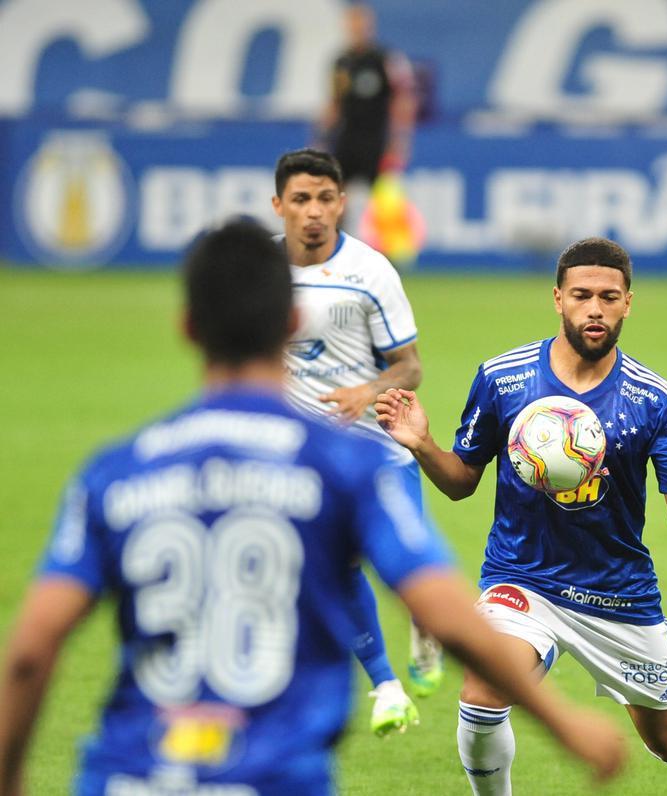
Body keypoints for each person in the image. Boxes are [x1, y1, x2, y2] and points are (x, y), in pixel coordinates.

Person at [0, 219, 626, 796]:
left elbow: (31, 651)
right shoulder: (344, 468)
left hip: (127, 776)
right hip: (273, 776)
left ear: (187, 327)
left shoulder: (115, 472)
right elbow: (449, 616)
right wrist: (566, 724)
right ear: (292, 322)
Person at [375, 237, 667, 795]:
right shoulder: (503, 378)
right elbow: (461, 483)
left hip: (617, 592)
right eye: (582, 295)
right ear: (558, 298)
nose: (595, 308)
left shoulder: (654, 399)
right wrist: (424, 444)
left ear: (630, 302)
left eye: (609, 296)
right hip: (522, 579)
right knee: (481, 697)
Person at [271, 147, 444, 738]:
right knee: (334, 565)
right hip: (309, 456)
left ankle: (426, 630)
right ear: (279, 206)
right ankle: (386, 688)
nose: (314, 211)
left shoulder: (371, 272)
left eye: (325, 198)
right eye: (301, 200)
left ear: (342, 203)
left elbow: (411, 366)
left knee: (405, 575)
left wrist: (365, 391)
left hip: (379, 448)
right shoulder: (262, 274)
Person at [317, 2, 417, 234]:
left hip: (377, 141)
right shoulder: (341, 62)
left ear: (370, 25)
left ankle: (391, 260)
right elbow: (334, 103)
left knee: (386, 205)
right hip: (347, 139)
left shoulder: (385, 59)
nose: (357, 28)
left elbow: (402, 100)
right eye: (352, 22)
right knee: (336, 198)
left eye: (361, 22)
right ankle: (335, 250)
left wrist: (400, 139)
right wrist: (321, 137)